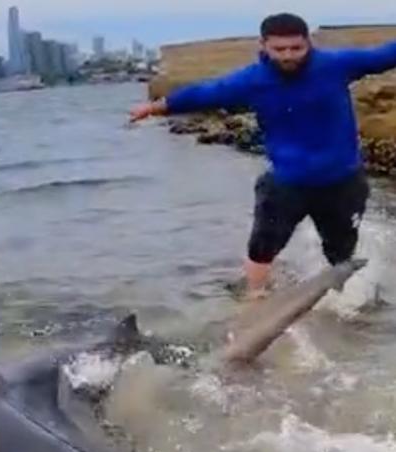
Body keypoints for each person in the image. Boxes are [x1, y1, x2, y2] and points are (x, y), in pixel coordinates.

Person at [130, 13, 396, 300]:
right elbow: (206, 93)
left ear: (309, 42)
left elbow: (385, 55)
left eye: (296, 48)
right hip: (286, 182)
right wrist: (155, 107)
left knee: (341, 253)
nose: (288, 56)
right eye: (279, 49)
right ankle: (255, 300)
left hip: (342, 181)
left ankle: (346, 308)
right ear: (264, 45)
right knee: (262, 247)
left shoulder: (335, 65)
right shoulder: (253, 80)